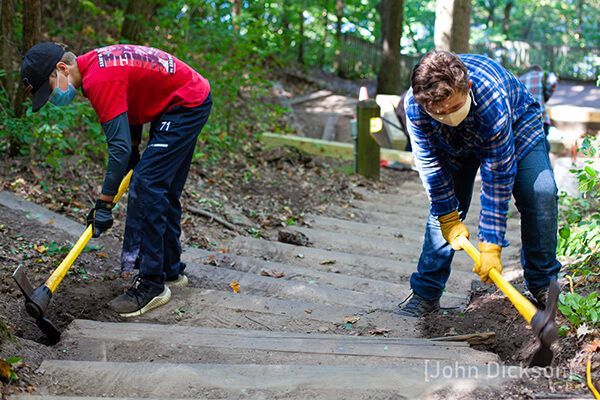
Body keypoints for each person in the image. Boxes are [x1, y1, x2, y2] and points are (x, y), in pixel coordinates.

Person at [20, 42, 212, 317]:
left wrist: (103, 203)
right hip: (180, 98)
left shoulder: (99, 79)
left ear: (62, 69)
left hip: (186, 103)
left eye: (48, 90)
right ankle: (170, 270)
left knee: (147, 185)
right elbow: (130, 107)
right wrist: (133, 153)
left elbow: (118, 149)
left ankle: (151, 284)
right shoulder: (97, 65)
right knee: (158, 185)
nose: (51, 98)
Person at [397, 51, 561, 317]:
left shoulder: (491, 99)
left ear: (468, 87)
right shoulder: (416, 107)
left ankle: (543, 284)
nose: (448, 115)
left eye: (453, 108)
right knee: (446, 212)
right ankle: (425, 294)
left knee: (540, 192)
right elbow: (430, 165)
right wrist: (448, 216)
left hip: (516, 123)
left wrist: (491, 243)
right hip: (450, 143)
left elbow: (497, 176)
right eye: (440, 113)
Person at [519, 65, 558, 149]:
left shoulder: (519, 79)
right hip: (541, 118)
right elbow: (553, 81)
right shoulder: (544, 75)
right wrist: (547, 95)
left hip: (523, 121)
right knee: (543, 146)